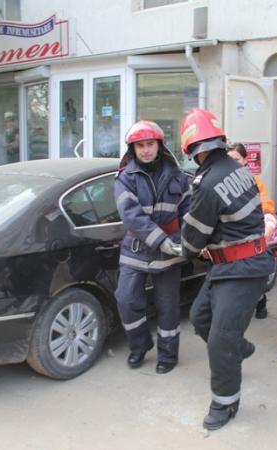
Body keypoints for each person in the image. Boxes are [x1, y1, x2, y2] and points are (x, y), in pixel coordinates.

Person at [180, 108, 275, 431]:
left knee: (220, 341)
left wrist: (182, 250)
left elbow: (193, 237)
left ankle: (225, 403)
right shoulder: (236, 167)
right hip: (231, 265)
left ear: (193, 148)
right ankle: (239, 348)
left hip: (242, 268)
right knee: (200, 317)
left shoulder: (207, 183)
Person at [113, 120, 190, 375]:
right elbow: (132, 216)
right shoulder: (125, 178)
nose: (146, 150)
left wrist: (185, 239)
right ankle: (139, 346)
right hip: (135, 250)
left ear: (159, 145)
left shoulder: (178, 176)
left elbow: (188, 211)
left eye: (150, 144)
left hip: (170, 252)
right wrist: (161, 240)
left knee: (168, 307)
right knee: (126, 300)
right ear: (132, 149)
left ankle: (167, 355)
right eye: (140, 146)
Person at [226, 142, 277, 319]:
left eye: (236, 159)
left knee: (252, 276)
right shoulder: (221, 183)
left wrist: (267, 226)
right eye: (228, 159)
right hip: (230, 238)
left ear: (245, 160)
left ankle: (260, 301)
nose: (232, 163)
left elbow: (266, 207)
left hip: (252, 237)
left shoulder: (255, 182)